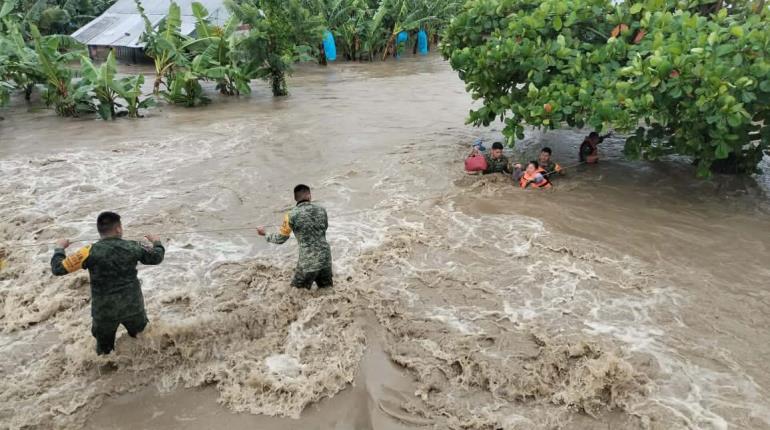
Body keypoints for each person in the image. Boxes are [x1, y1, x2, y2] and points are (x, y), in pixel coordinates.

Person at [51, 212, 164, 355]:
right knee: (143, 343)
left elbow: (58, 268)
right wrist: (157, 242)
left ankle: (106, 373)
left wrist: (59, 248)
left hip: (104, 312)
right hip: (133, 307)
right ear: (118, 229)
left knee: (104, 353)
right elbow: (157, 257)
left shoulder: (87, 252)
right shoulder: (133, 246)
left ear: (100, 231)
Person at [258, 184, 333, 289]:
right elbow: (324, 227)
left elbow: (280, 239)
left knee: (296, 293)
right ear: (309, 195)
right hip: (325, 258)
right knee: (327, 290)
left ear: (295, 198)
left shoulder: (291, 215)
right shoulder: (322, 210)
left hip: (308, 261)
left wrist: (265, 234)